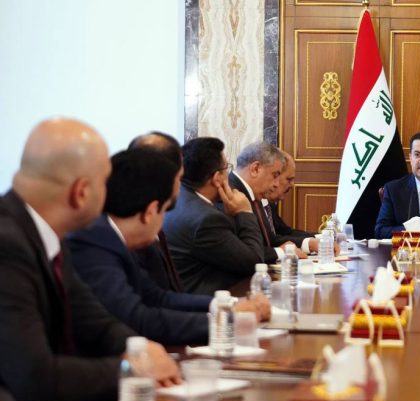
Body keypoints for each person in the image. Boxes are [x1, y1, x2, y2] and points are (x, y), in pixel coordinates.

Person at [0, 118, 180, 401]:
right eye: (105, 182)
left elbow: (95, 322)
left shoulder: (45, 234)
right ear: (81, 192)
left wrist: (141, 349)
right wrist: (134, 369)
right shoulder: (8, 245)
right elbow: (34, 378)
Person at [67, 149, 271, 345]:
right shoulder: (93, 244)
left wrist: (228, 306)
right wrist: (228, 320)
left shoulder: (114, 236)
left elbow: (157, 297)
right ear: (150, 212)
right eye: (164, 212)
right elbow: (138, 319)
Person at [163, 137, 277, 295]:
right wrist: (244, 212)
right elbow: (254, 262)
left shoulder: (178, 199)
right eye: (227, 168)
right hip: (206, 301)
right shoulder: (206, 219)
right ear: (217, 178)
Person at [128, 131, 186, 292]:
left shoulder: (154, 215)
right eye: (179, 178)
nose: (180, 187)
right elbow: (154, 299)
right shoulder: (134, 230)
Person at [229, 142, 311, 257]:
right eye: (275, 175)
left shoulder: (254, 193)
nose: (276, 184)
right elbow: (239, 252)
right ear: (255, 169)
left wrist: (307, 243)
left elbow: (269, 239)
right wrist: (280, 252)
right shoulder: (230, 194)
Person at [264, 151, 317, 244]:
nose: (292, 185)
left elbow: (285, 232)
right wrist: (309, 243)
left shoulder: (268, 204)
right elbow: (270, 241)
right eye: (289, 179)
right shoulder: (249, 202)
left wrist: (319, 237)